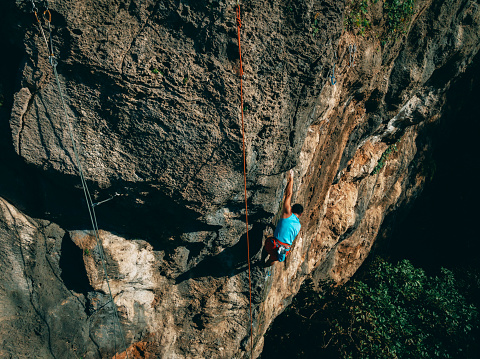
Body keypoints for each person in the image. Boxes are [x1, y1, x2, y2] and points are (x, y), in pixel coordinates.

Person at [263, 170, 303, 266]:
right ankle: (265, 265)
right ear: (300, 215)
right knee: (274, 258)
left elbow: (289, 195)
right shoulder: (299, 226)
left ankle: (261, 260)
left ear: (292, 208)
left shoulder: (287, 213)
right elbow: (286, 233)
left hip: (273, 245)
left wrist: (291, 179)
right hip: (284, 249)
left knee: (268, 243)